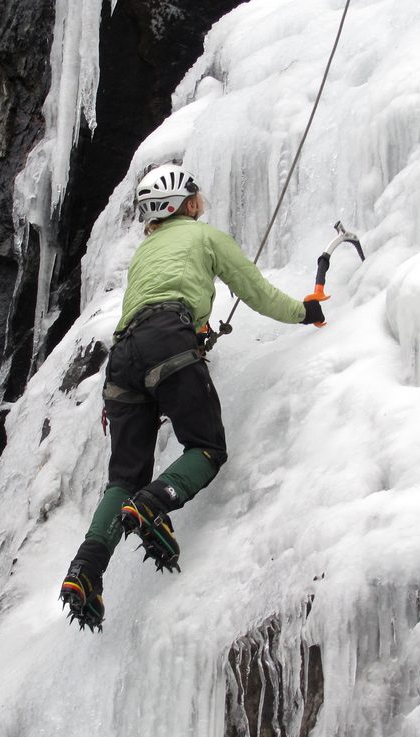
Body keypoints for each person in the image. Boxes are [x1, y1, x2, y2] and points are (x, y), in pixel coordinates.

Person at [59, 162, 326, 630]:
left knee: (122, 478)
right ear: (183, 204)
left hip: (122, 361)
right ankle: (153, 504)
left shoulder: (146, 253)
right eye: (195, 195)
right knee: (206, 448)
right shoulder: (204, 238)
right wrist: (304, 312)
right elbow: (256, 291)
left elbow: (144, 315)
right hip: (168, 338)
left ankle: (86, 569)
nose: (201, 200)